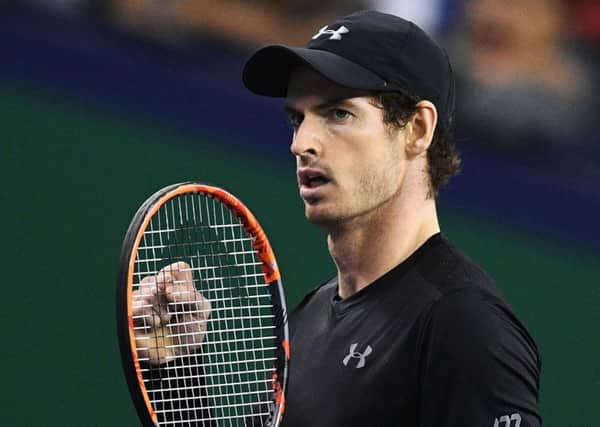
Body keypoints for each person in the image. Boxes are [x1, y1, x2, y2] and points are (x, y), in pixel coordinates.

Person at [134, 10, 541, 426]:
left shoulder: (463, 323)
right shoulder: (309, 318)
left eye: (339, 114)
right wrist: (177, 372)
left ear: (417, 129)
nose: (302, 143)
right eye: (298, 118)